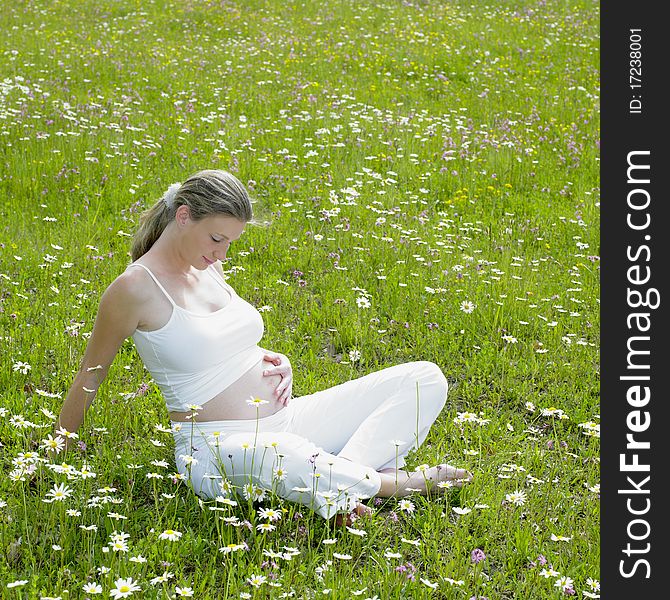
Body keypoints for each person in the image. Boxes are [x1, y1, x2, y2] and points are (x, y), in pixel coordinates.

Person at [56, 169, 472, 523]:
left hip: (286, 419)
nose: (222, 252)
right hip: (217, 448)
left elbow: (224, 338)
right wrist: (62, 445)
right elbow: (91, 373)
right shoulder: (133, 289)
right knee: (287, 454)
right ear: (183, 216)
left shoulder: (209, 266)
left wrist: (277, 360)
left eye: (229, 242)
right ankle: (394, 484)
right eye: (216, 238)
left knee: (424, 379)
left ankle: (343, 483)